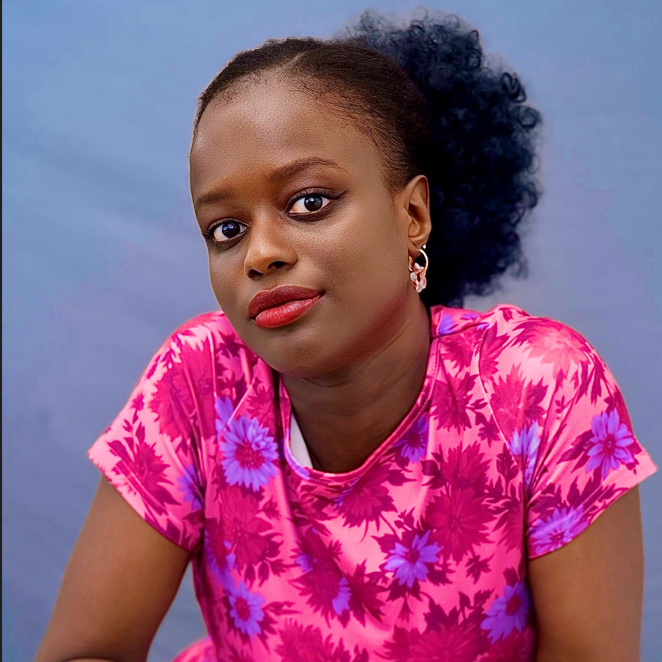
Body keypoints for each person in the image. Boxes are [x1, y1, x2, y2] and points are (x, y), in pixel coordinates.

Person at [36, 9, 658, 662]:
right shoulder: (201, 383)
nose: (260, 254)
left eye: (309, 202)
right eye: (226, 229)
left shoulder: (539, 390)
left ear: (412, 215)